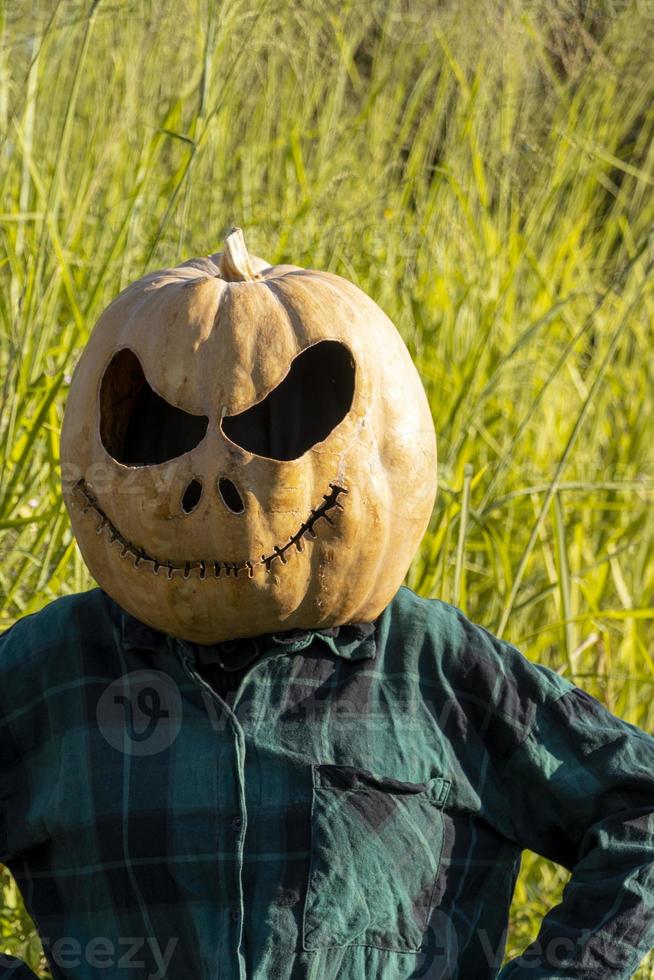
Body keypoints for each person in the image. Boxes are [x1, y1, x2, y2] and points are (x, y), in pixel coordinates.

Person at [1, 231, 653, 979]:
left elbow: (639, 808)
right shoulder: (54, 669)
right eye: (164, 431)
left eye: (266, 431)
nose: (211, 480)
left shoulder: (432, 667)